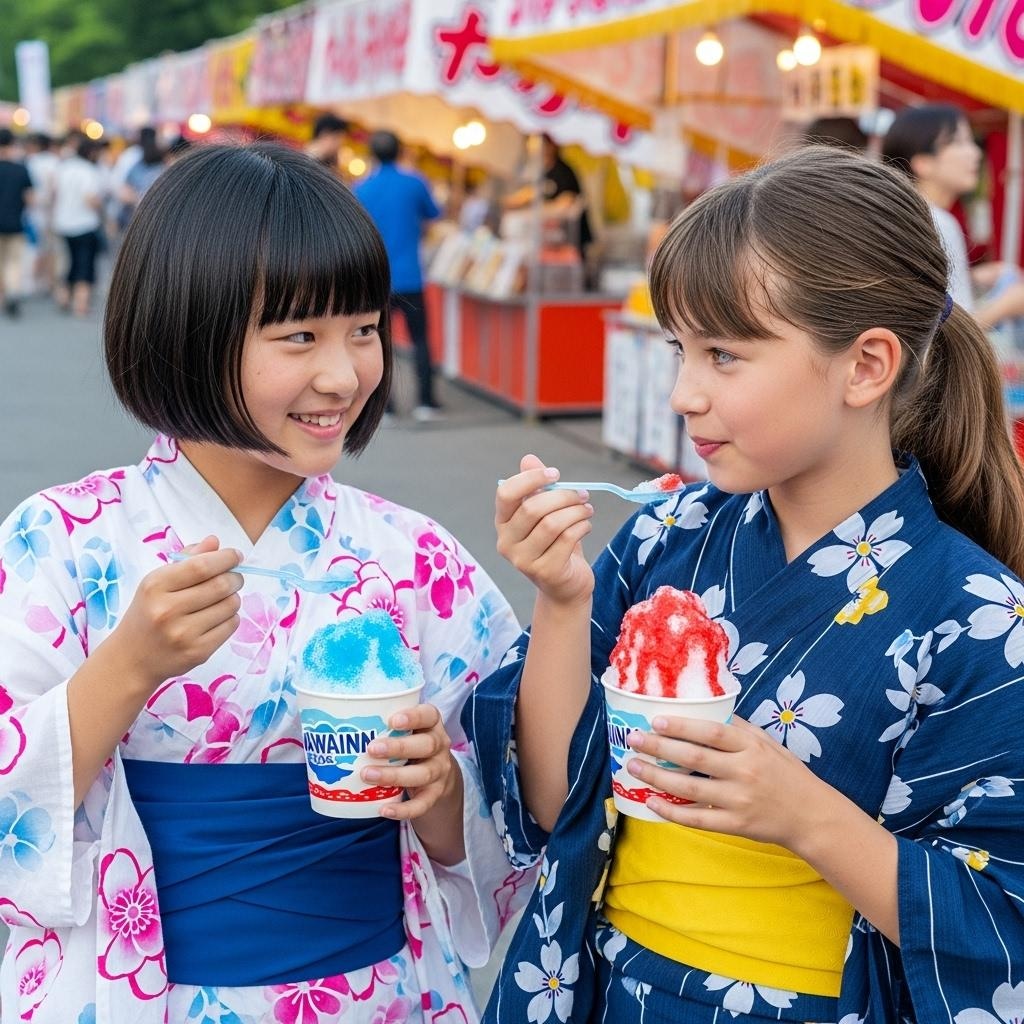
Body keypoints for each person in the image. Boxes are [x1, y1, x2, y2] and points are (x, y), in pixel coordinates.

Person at [466, 146, 1024, 1023]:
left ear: (866, 366)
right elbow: (546, 802)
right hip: (612, 990)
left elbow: (1001, 924)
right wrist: (563, 602)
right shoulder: (662, 538)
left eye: (724, 355)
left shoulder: (982, 617)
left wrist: (805, 816)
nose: (685, 393)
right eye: (680, 348)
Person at [0, 143, 527, 1024]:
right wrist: (125, 667)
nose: (344, 374)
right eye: (299, 338)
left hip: (376, 993)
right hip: (135, 987)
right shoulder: (60, 541)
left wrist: (439, 798)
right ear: (188, 332)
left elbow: (508, 815)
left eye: (364, 329)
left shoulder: (415, 556)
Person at [881, 103, 1009, 313]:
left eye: (971, 141)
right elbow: (952, 326)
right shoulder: (937, 222)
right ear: (923, 162)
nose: (975, 153)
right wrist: (1009, 304)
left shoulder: (898, 216)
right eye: (959, 142)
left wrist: (973, 279)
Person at [355, 130, 442, 421]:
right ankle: (426, 403)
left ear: (372, 153)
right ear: (400, 150)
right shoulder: (414, 182)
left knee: (379, 342)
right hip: (411, 276)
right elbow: (434, 214)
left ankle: (386, 407)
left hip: (378, 280)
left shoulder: (362, 189)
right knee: (420, 340)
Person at [503, 134, 593, 274]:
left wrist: (537, 210)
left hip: (570, 239)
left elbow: (567, 203)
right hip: (548, 240)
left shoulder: (563, 171)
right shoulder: (539, 171)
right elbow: (522, 196)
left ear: (551, 146)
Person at [52, 135, 104, 316]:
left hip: (63, 222)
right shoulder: (89, 171)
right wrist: (101, 207)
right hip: (84, 224)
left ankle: (64, 296)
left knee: (69, 262)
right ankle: (81, 305)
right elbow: (91, 199)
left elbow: (54, 193)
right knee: (84, 264)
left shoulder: (63, 167)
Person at [0, 127, 34, 317]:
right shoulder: (21, 169)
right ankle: (13, 293)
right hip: (15, 223)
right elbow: (30, 199)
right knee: (13, 262)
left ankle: (4, 297)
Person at [24, 132, 59, 296]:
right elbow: (55, 189)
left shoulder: (31, 162)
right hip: (51, 212)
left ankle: (35, 280)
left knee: (36, 247)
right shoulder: (55, 162)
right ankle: (49, 281)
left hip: (33, 211)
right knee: (50, 248)